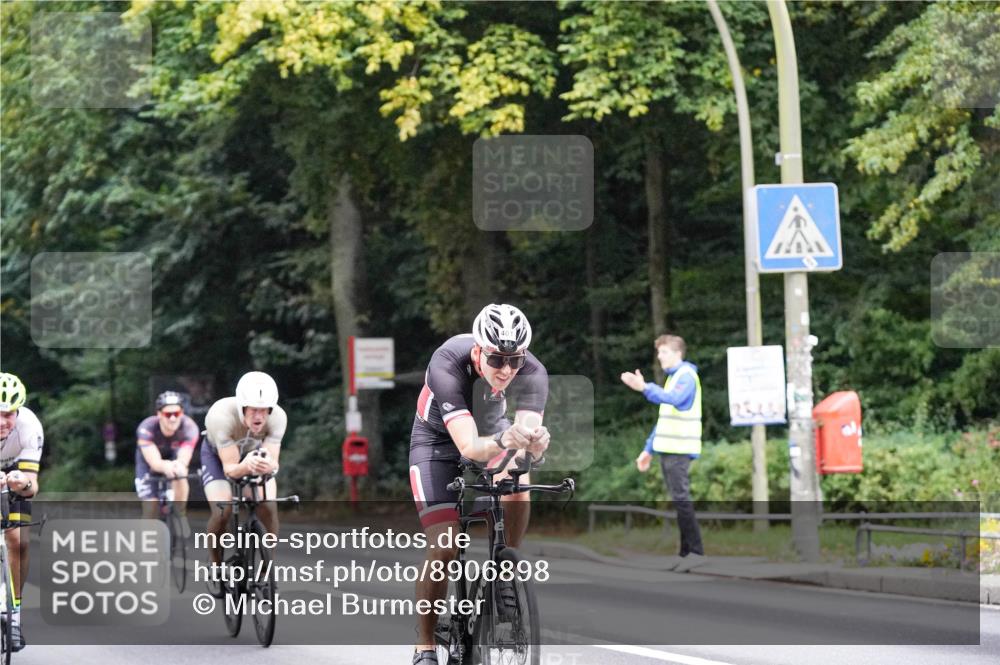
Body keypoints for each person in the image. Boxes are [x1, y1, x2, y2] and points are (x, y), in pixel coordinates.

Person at [409, 304, 551, 665]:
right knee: (444, 544)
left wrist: (533, 446)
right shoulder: (447, 364)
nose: (506, 370)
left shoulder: (533, 372)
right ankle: (425, 646)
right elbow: (469, 447)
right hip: (437, 442)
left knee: (518, 479)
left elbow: (523, 444)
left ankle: (505, 571)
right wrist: (510, 441)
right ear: (478, 351)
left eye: (514, 360)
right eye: (497, 359)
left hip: (492, 431)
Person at [620, 334, 707, 573]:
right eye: (659, 352)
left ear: (678, 353)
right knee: (679, 501)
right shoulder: (673, 378)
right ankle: (686, 553)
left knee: (682, 500)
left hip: (680, 451)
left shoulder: (686, 377)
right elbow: (665, 420)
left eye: (664, 352)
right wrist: (648, 449)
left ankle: (696, 552)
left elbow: (675, 400)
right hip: (669, 450)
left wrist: (645, 387)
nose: (660, 356)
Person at [201, 372, 285, 579]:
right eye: (253, 410)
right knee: (224, 510)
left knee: (267, 504)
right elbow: (230, 469)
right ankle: (216, 561)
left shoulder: (278, 418)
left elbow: (274, 463)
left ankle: (267, 567)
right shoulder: (220, 416)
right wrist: (245, 465)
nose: (259, 417)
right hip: (217, 458)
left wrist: (268, 466)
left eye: (264, 410)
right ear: (242, 407)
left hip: (251, 455)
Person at [0, 373, 42, 652]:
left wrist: (21, 482)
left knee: (18, 541)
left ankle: (13, 615)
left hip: (13, 475)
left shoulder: (29, 426)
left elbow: (32, 486)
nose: (4, 421)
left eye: (9, 414)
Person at [134, 391, 199, 525]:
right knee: (151, 507)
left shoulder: (189, 427)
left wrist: (179, 466)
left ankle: (180, 514)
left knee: (180, 472)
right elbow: (154, 462)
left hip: (174, 455)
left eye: (177, 414)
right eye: (168, 414)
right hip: (149, 461)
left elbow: (184, 458)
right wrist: (166, 466)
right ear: (159, 415)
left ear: (182, 413)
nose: (173, 418)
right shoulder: (146, 428)